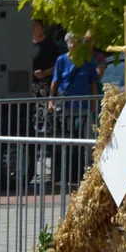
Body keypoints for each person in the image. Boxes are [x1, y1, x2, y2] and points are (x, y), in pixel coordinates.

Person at [48, 32, 100, 183]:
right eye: (71, 42)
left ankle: (80, 174)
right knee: (68, 140)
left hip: (83, 106)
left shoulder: (87, 61)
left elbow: (92, 83)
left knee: (83, 139)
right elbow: (55, 81)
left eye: (76, 42)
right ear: (67, 44)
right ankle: (67, 174)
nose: (74, 45)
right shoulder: (61, 60)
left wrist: (92, 103)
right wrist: (51, 101)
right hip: (66, 106)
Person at [32, 19, 59, 97]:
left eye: (35, 25)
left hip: (46, 87)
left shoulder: (51, 45)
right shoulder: (26, 44)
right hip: (30, 88)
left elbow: (58, 66)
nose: (33, 27)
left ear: (43, 28)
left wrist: (44, 73)